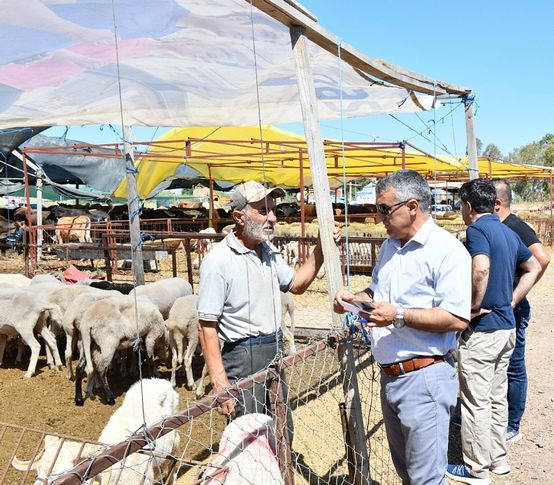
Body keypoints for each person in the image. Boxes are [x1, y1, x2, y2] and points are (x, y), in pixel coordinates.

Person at [333, 169, 471, 484]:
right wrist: (353, 299)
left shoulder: (447, 252)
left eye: (384, 209)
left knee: (426, 479)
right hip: (391, 377)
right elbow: (376, 293)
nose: (377, 216)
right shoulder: (390, 247)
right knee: (408, 473)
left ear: (411, 207)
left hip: (425, 377)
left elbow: (457, 318)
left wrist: (398, 316)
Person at [197, 180, 339, 430]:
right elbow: (206, 326)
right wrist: (220, 385)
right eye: (263, 210)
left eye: (272, 210)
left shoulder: (268, 251)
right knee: (249, 434)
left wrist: (321, 248)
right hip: (243, 355)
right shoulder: (218, 261)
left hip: (273, 350)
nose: (272, 217)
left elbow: (296, 284)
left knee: (283, 428)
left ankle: (281, 467)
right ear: (239, 217)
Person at [447, 178, 541, 484]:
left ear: (469, 206)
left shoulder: (477, 230)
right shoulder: (506, 230)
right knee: (497, 397)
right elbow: (534, 268)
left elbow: (482, 267)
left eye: (461, 205)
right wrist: (512, 300)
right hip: (506, 329)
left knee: (475, 401)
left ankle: (476, 469)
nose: (461, 211)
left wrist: (473, 307)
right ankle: (498, 461)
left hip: (484, 331)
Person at [492, 179, 550, 443]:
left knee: (514, 366)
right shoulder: (498, 227)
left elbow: (542, 258)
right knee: (498, 364)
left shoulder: (515, 226)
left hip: (512, 307)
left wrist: (518, 294)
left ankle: (512, 425)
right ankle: (499, 415)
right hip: (502, 306)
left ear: (497, 203)